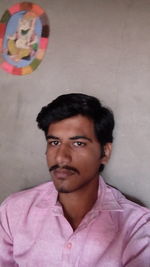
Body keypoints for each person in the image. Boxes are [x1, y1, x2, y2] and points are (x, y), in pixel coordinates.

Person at [0, 93, 150, 267]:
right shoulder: (14, 211)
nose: (61, 158)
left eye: (78, 143)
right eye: (54, 142)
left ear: (105, 153)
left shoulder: (136, 227)